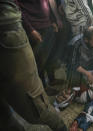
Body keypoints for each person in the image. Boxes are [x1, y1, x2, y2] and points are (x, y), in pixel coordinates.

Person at [0, 0, 67, 130]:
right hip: (25, 27)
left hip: (5, 27)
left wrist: (51, 20)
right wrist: (31, 29)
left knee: (35, 106)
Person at [17, 0, 63, 85]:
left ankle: (52, 80)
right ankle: (43, 87)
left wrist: (52, 20)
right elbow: (18, 9)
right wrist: (31, 30)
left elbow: (47, 3)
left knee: (49, 55)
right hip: (35, 28)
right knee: (39, 61)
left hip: (47, 25)